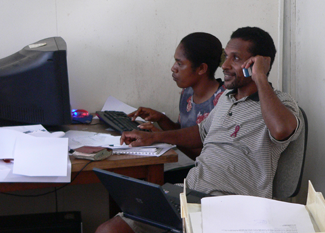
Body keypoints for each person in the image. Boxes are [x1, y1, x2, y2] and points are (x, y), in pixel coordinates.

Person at [95, 26, 303, 233]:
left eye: (236, 58)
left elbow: (281, 130)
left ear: (258, 63)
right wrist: (154, 137)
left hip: (232, 209)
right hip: (190, 196)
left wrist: (260, 78)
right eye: (226, 57)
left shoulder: (281, 103)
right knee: (110, 230)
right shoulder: (227, 99)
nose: (225, 65)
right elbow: (200, 133)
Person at [128, 32, 226, 182]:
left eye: (180, 64)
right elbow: (181, 133)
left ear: (201, 68)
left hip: (209, 176)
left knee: (147, 180)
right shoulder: (188, 92)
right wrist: (161, 119)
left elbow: (203, 157)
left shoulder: (224, 101)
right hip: (189, 165)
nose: (173, 68)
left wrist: (160, 137)